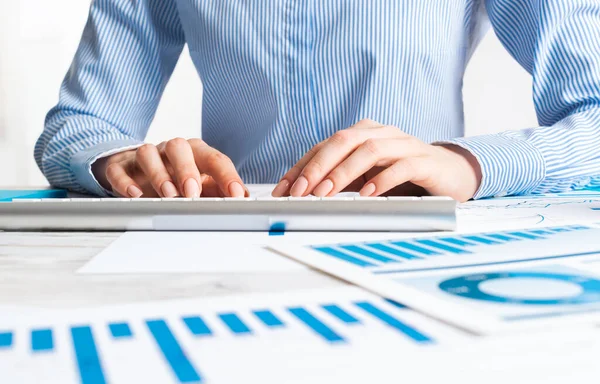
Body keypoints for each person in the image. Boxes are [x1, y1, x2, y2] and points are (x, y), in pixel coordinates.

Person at [35, 0, 600, 202]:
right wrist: (116, 162)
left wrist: (468, 163)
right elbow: (78, 126)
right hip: (227, 247)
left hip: (418, 241)